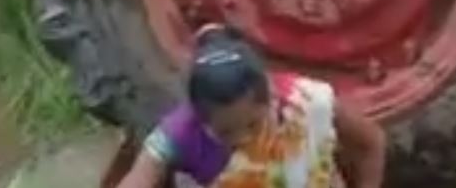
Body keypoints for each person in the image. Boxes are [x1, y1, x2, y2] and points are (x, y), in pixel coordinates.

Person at [106, 25, 387, 188]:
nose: (243, 138)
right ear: (199, 118)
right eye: (226, 132)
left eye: (254, 124)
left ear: (272, 96)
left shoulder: (307, 104)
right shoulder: (179, 134)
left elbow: (371, 143)